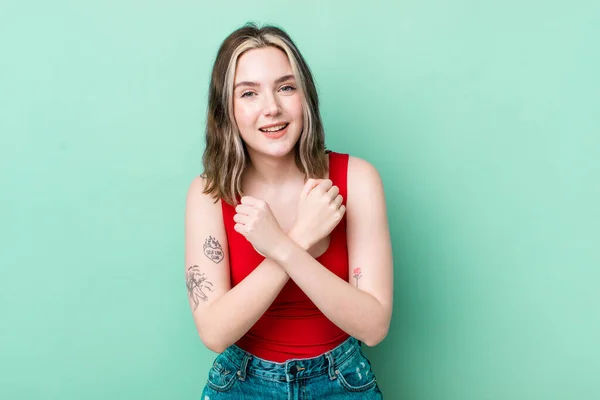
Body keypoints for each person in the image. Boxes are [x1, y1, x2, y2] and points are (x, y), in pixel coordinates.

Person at [185, 22, 393, 399]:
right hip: (241, 384)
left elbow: (374, 327)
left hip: (343, 381)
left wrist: (280, 247)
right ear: (226, 110)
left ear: (305, 96)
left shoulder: (358, 179)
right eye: (248, 93)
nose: (272, 108)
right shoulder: (208, 194)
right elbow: (214, 333)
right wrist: (299, 238)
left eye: (286, 87)